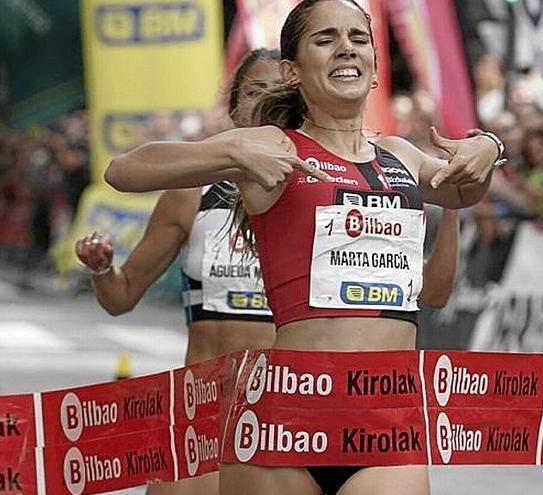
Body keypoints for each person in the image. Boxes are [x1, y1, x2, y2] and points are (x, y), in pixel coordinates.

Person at [104, 1, 502, 493]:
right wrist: (233, 150)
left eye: (359, 38)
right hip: (286, 416)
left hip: (385, 421)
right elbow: (123, 172)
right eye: (325, 39)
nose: (345, 48)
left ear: (376, 65)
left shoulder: (399, 155)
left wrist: (488, 146)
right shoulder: (276, 146)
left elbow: (464, 188)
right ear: (292, 70)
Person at [75, 48, 284, 495]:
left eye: (280, 92)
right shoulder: (193, 192)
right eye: (255, 91)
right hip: (201, 411)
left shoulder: (324, 192)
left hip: (280, 416)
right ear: (233, 107)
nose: (267, 102)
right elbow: (121, 296)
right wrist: (103, 268)